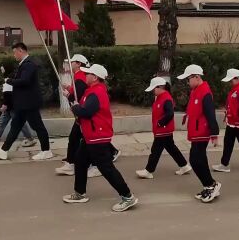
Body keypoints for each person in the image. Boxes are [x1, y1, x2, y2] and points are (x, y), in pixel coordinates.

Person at [62, 64, 138, 212]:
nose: (85, 76)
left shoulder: (96, 92)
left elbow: (86, 111)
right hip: (91, 135)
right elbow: (82, 108)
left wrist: (76, 108)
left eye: (88, 74)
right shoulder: (92, 91)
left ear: (95, 77)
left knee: (106, 168)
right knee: (80, 160)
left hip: (98, 136)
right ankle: (79, 193)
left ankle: (127, 196)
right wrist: (73, 102)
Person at [56, 54, 120, 178]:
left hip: (91, 122)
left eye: (73, 61)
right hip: (88, 122)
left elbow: (82, 101)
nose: (70, 64)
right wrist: (70, 91)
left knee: (79, 141)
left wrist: (72, 101)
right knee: (83, 146)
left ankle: (79, 164)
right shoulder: (84, 81)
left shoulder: (83, 80)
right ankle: (76, 166)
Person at [0, 43, 53, 161]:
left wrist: (10, 81)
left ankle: (46, 150)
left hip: (29, 103)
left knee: (38, 126)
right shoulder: (24, 64)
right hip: (23, 104)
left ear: (21, 51)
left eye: (15, 52)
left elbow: (25, 81)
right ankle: (3, 150)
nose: (14, 55)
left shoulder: (29, 64)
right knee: (15, 126)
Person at [177, 64, 222, 203]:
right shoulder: (196, 90)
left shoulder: (205, 92)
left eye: (188, 79)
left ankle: (211, 185)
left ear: (197, 77)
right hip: (196, 132)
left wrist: (214, 134)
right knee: (198, 160)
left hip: (202, 132)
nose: (187, 82)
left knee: (196, 161)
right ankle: (209, 185)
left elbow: (210, 115)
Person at [136, 77, 192, 179]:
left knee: (155, 151)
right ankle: (184, 165)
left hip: (163, 130)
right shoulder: (160, 97)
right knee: (171, 148)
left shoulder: (166, 98)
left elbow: (170, 114)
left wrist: (160, 123)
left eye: (154, 88)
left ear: (160, 87)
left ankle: (148, 170)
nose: (153, 90)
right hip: (162, 130)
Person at [0, 66, 36, 149]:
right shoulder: (11, 78)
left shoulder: (9, 79)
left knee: (19, 123)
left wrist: (5, 105)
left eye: (2, 68)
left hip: (13, 107)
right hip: (12, 106)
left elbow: (8, 94)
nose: (1, 70)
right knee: (3, 122)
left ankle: (30, 139)